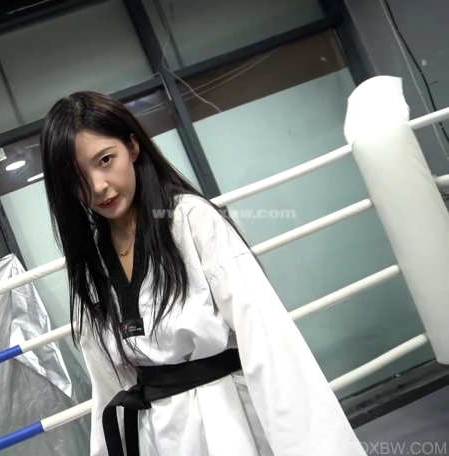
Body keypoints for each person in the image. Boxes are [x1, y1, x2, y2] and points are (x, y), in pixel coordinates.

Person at [38, 91, 366, 456]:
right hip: (155, 433)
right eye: (77, 177)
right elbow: (107, 383)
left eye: (105, 160)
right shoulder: (91, 263)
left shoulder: (190, 220)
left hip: (227, 419)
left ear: (132, 147)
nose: (98, 186)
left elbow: (267, 341)